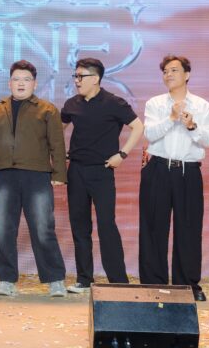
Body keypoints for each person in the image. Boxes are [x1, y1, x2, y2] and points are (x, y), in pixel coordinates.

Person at [0, 60, 68, 297]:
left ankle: (55, 279)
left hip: (37, 176)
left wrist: (59, 174)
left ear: (35, 84)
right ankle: (6, 280)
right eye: (16, 79)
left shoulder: (47, 109)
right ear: (9, 83)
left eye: (26, 79)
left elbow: (57, 145)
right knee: (4, 229)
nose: (21, 83)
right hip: (3, 175)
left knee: (43, 227)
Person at [61, 58, 144, 293]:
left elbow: (138, 127)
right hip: (76, 170)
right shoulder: (71, 104)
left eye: (81, 76)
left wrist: (122, 154)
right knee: (79, 226)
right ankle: (84, 279)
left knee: (107, 225)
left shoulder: (114, 103)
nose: (77, 81)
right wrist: (60, 154)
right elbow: (58, 129)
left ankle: (118, 281)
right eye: (75, 76)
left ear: (96, 78)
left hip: (102, 171)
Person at [140, 55, 209, 301]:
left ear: (187, 75)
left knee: (189, 228)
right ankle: (153, 284)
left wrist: (192, 126)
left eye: (174, 70)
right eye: (165, 71)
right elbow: (150, 134)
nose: (168, 75)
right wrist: (171, 118)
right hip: (158, 169)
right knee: (153, 227)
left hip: (188, 171)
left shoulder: (203, 106)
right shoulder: (155, 103)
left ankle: (187, 285)